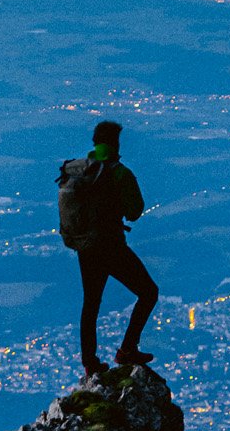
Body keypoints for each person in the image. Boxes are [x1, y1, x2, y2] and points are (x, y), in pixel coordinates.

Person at [59, 119, 159, 378]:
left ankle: (90, 362)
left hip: (85, 247)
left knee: (91, 303)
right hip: (111, 246)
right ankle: (127, 349)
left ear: (94, 143)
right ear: (116, 143)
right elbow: (135, 212)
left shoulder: (80, 172)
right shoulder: (119, 173)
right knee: (148, 292)